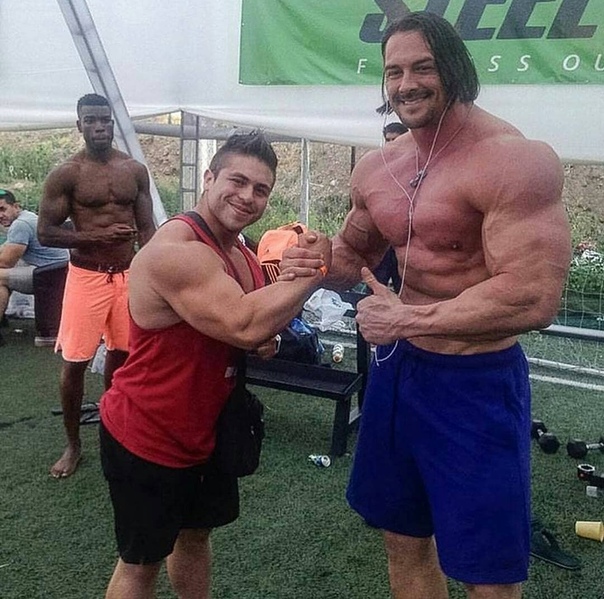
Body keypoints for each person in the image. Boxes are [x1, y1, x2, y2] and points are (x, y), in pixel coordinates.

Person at [279, 12, 571, 599]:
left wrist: (409, 318)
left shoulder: (514, 160)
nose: (406, 84)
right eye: (394, 72)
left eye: (422, 68)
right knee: (403, 537)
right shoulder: (378, 168)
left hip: (475, 380)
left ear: (455, 69)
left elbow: (533, 294)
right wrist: (318, 257)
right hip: (398, 373)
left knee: (488, 571)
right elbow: (354, 256)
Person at [98, 131, 330, 598]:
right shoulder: (178, 251)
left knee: (195, 535)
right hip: (149, 431)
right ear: (209, 178)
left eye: (260, 189)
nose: (247, 197)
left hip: (207, 431)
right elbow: (243, 323)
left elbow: (249, 329)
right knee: (141, 564)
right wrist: (313, 272)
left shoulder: (239, 252)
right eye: (237, 181)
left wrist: (265, 339)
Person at [37, 93, 156, 479]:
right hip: (86, 277)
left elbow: (147, 228)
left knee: (122, 357)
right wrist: (94, 237)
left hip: (127, 275)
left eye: (105, 119)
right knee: (75, 362)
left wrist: (153, 269)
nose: (99, 126)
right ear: (79, 125)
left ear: (112, 122)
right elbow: (45, 232)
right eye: (91, 120)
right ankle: (73, 444)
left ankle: (114, 429)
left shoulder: (134, 170)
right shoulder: (67, 174)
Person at [0, 189, 69, 346]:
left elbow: (5, 262)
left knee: (0, 276)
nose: (0, 215)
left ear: (16, 206)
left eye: (2, 209)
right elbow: (5, 250)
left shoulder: (21, 224)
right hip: (57, 270)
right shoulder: (27, 217)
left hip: (51, 276)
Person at [373, 121, 409, 293]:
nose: (391, 144)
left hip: (406, 241)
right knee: (375, 287)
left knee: (404, 289)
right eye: (388, 140)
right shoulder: (377, 168)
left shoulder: (418, 165)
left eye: (396, 139)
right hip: (382, 240)